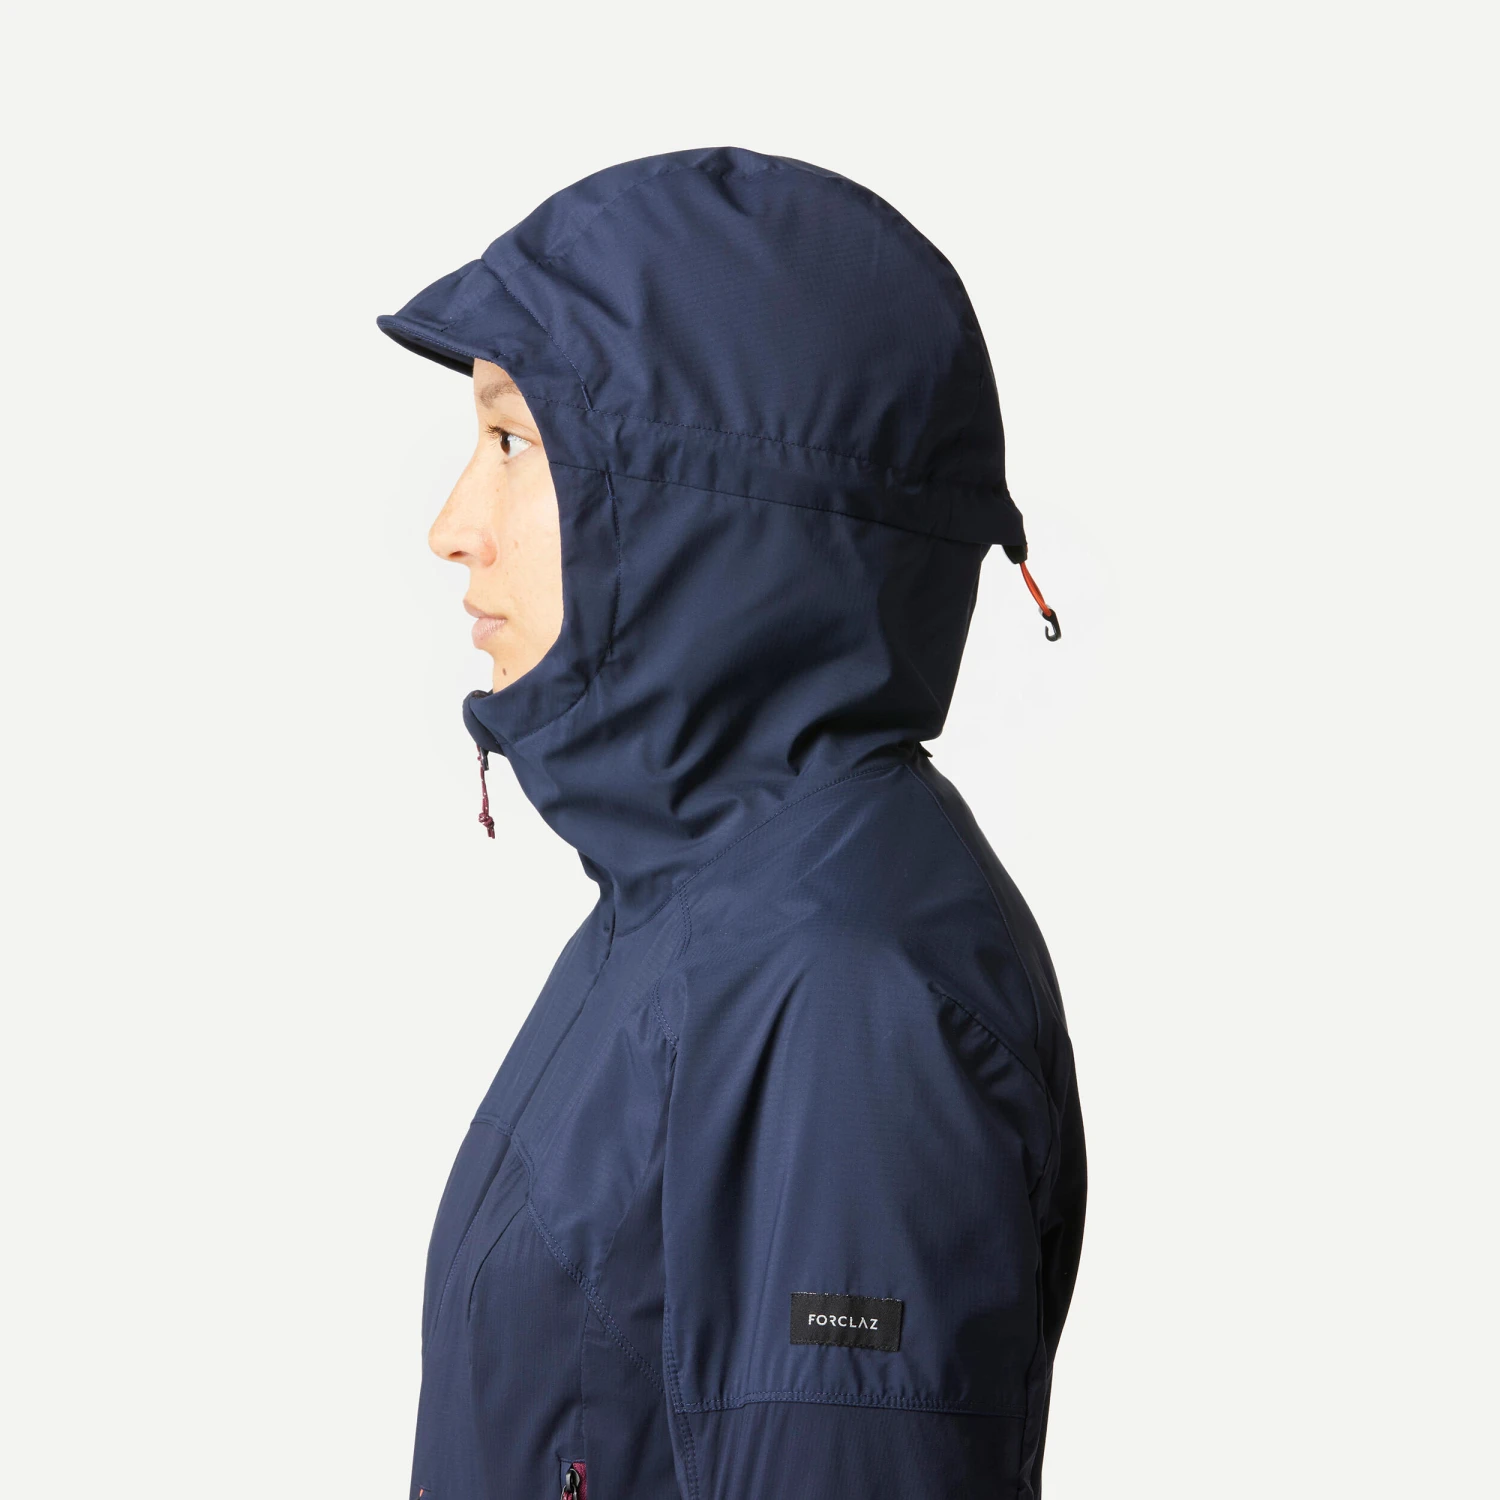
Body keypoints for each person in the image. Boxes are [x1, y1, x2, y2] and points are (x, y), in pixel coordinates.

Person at [377, 144, 1086, 1500]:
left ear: (704, 508)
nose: (451, 526)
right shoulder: (698, 910)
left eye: (515, 442)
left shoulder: (845, 993)